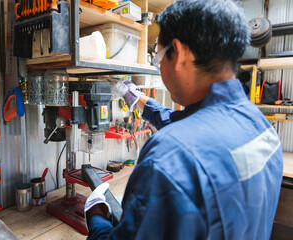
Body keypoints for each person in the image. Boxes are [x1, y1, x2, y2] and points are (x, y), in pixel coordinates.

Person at [84, 0, 283, 239]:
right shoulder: (263, 129)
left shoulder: (167, 156)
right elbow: (193, 127)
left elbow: (187, 143)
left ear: (178, 53)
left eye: (158, 59)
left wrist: (96, 217)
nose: (160, 69)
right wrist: (137, 99)